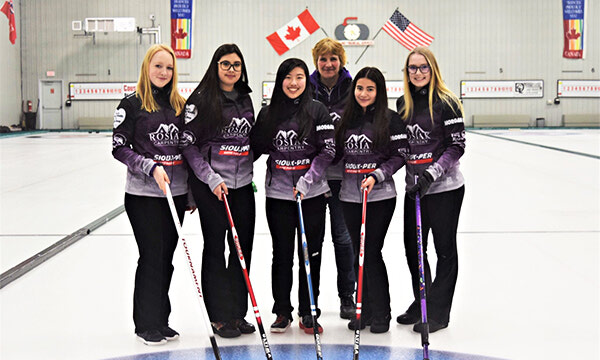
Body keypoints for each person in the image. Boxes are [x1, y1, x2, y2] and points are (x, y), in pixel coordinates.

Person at [251, 58, 335, 334]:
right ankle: (282, 311)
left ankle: (309, 310)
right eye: (288, 77)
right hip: (278, 196)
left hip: (310, 195)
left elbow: (327, 152)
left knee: (310, 254)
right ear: (280, 81)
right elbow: (255, 148)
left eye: (299, 77)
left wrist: (307, 181)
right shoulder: (268, 113)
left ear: (306, 81)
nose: (294, 83)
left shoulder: (318, 110)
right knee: (282, 254)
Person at [112, 44, 189, 345]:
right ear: (147, 68)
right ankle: (145, 323)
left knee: (166, 259)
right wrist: (150, 166)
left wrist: (191, 193)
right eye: (158, 66)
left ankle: (161, 319)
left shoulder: (180, 105)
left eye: (168, 68)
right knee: (151, 257)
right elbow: (119, 147)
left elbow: (187, 150)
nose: (163, 72)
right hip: (143, 195)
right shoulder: (131, 105)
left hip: (176, 194)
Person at [181, 44, 256, 339]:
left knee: (241, 250)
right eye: (226, 64)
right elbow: (188, 145)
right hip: (212, 187)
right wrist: (209, 179)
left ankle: (237, 313)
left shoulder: (245, 98)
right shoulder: (201, 100)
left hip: (241, 187)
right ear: (215, 66)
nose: (231, 70)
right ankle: (218, 316)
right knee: (215, 248)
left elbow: (250, 140)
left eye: (237, 64)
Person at [395, 46, 466, 333]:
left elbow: (457, 146)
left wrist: (432, 173)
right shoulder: (403, 103)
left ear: (432, 69)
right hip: (415, 190)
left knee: (444, 250)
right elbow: (399, 146)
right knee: (414, 249)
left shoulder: (446, 102)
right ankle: (422, 301)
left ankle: (438, 312)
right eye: (412, 68)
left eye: (423, 67)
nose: (418, 73)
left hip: (444, 189)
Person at [335, 67, 407, 333]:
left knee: (372, 252)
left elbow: (400, 155)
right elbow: (335, 153)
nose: (363, 94)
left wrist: (377, 175)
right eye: (359, 88)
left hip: (379, 197)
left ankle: (381, 313)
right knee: (358, 254)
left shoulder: (390, 119)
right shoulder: (346, 119)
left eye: (370, 89)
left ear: (379, 92)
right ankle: (362, 311)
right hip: (350, 196)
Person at [309, 38, 356, 319]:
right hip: (313, 177)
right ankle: (310, 300)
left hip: (344, 177)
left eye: (333, 58)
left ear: (342, 61)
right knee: (312, 241)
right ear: (316, 61)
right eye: (323, 59)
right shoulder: (306, 87)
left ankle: (347, 297)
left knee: (343, 239)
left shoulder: (353, 89)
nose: (328, 64)